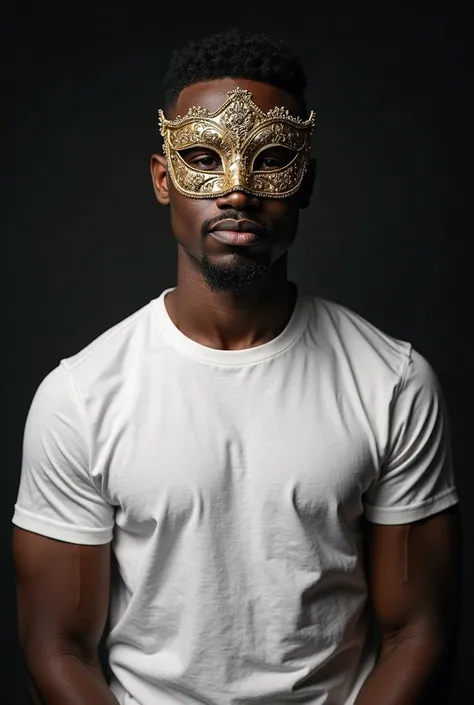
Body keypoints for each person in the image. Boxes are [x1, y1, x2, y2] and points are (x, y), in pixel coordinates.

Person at [12, 28, 462, 705]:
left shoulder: (392, 383)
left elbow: (417, 631)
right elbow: (58, 646)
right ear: (165, 180)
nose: (237, 190)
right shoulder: (79, 397)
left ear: (304, 180)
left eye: (271, 159)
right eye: (203, 157)